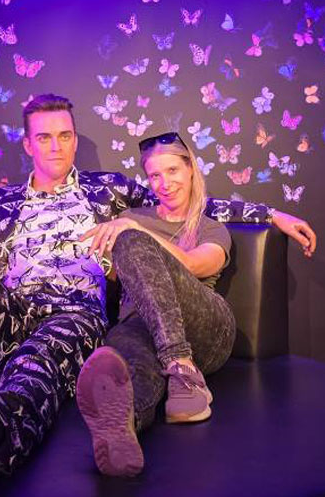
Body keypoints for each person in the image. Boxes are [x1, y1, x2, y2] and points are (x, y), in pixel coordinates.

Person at [0, 95, 316, 497]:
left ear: (75, 139)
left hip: (72, 316)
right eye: (44, 137)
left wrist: (271, 215)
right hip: (5, 314)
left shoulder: (109, 192)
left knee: (44, 356)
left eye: (65, 136)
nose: (56, 146)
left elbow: (182, 201)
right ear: (28, 144)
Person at [74, 131, 275, 477]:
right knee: (130, 359)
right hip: (142, 327)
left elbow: (196, 265)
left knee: (131, 240)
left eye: (172, 171)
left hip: (205, 331)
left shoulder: (210, 228)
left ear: (190, 169)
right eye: (154, 175)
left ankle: (182, 366)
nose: (164, 183)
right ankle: (122, 428)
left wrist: (135, 233)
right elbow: (115, 275)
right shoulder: (134, 216)